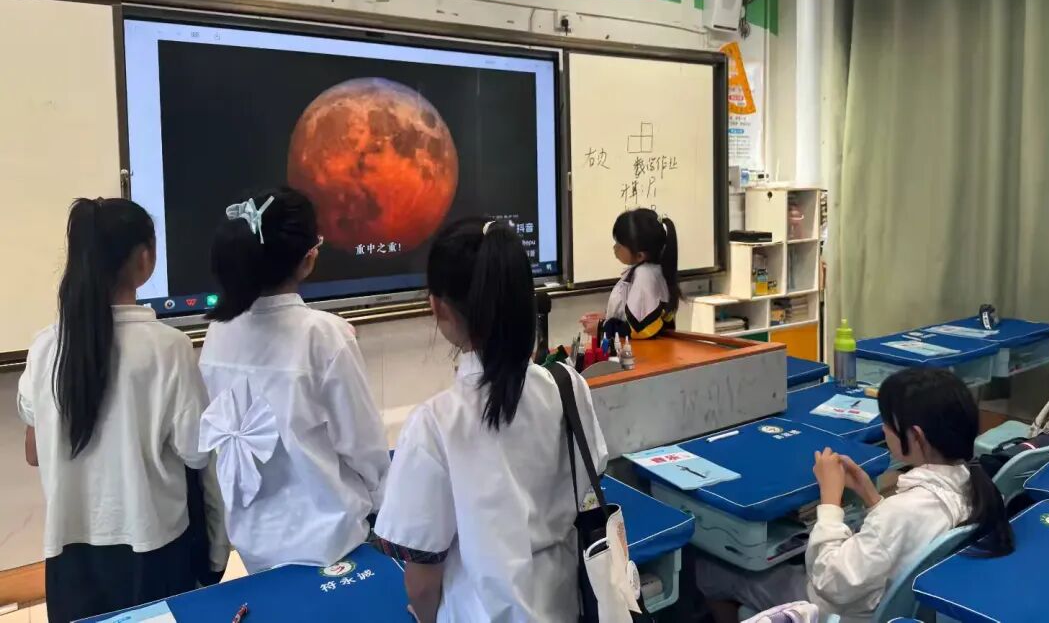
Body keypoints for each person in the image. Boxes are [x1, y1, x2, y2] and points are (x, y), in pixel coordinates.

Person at [374, 218, 608, 623]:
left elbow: (422, 580)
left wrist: (425, 616)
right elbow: (591, 479)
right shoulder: (567, 385)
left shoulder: (434, 425)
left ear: (438, 307)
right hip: (565, 605)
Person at [17, 198, 227, 623]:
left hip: (68, 562)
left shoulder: (45, 346)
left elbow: (34, 452)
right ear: (145, 259)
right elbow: (197, 453)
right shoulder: (167, 347)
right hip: (153, 552)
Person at [698, 367, 1014, 623]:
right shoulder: (977, 486)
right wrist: (870, 495)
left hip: (842, 611)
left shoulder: (902, 512)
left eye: (887, 423)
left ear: (915, 436)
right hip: (903, 606)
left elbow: (830, 582)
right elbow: (904, 537)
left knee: (711, 571)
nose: (884, 430)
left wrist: (830, 500)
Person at [198, 187, 389, 574]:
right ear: (308, 259)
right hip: (332, 543)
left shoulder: (218, 333)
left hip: (254, 542)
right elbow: (364, 448)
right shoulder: (324, 335)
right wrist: (383, 504)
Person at [581, 208, 681, 340]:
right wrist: (608, 317)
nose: (614, 248)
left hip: (643, 351)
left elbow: (638, 329)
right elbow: (633, 314)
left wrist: (602, 327)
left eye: (619, 244)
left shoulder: (644, 275)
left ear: (640, 255)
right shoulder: (648, 270)